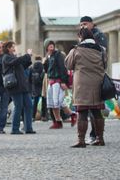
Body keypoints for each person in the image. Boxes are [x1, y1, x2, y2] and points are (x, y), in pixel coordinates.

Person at [65, 28, 106, 147]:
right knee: (97, 111)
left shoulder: (76, 50)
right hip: (98, 83)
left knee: (82, 112)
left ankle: (81, 140)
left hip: (81, 84)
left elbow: (68, 64)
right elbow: (105, 64)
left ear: (81, 37)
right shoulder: (101, 50)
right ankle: (100, 139)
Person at [79, 15, 108, 143]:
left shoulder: (99, 36)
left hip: (95, 77)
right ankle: (96, 136)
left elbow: (102, 56)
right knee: (91, 109)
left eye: (85, 24)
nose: (83, 26)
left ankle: (95, 135)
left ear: (92, 24)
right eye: (81, 25)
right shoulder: (82, 40)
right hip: (88, 78)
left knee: (94, 109)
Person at [2, 41, 35, 134]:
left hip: (22, 85)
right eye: (13, 47)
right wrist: (27, 55)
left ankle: (28, 128)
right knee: (18, 106)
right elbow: (16, 61)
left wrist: (28, 59)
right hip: (14, 86)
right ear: (8, 48)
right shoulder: (6, 57)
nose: (14, 48)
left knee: (29, 105)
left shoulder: (12, 57)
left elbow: (22, 66)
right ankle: (15, 129)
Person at [43, 40, 76, 129]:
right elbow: (47, 71)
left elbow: (62, 68)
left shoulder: (58, 55)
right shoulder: (48, 56)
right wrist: (45, 62)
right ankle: (58, 121)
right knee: (52, 103)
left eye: (52, 45)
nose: (51, 46)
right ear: (46, 47)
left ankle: (72, 115)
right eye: (49, 45)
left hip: (58, 81)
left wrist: (63, 81)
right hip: (51, 81)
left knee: (58, 102)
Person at [29, 56, 47, 121]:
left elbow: (29, 79)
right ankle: (43, 116)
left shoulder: (31, 68)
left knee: (35, 102)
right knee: (44, 102)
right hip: (42, 86)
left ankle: (32, 116)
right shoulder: (43, 67)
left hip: (34, 87)